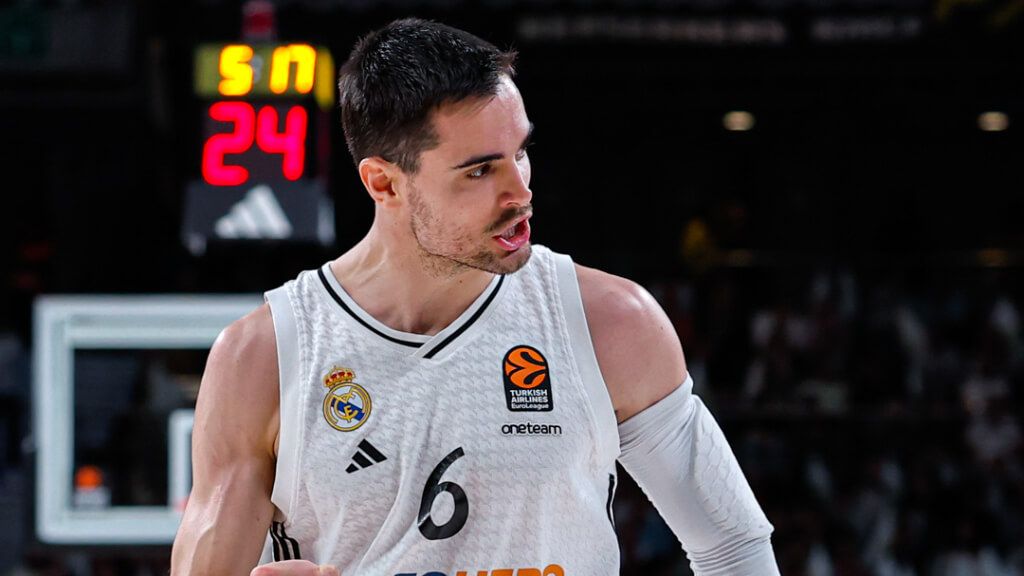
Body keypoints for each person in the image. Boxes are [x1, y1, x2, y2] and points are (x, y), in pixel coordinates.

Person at [170, 18, 779, 576]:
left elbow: (734, 547)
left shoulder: (610, 323)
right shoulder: (264, 356)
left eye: (521, 153)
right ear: (384, 182)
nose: (520, 190)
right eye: (480, 170)